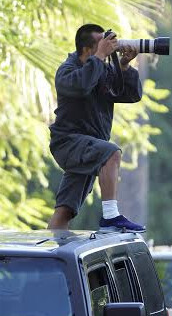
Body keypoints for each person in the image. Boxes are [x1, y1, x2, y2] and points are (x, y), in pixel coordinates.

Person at [47, 24, 146, 232]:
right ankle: (111, 217)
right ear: (86, 49)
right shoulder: (67, 71)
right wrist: (101, 56)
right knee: (111, 153)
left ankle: (49, 257)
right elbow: (83, 85)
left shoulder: (103, 70)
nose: (108, 46)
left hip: (88, 149)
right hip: (68, 143)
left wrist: (125, 66)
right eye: (101, 43)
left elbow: (130, 95)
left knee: (65, 210)